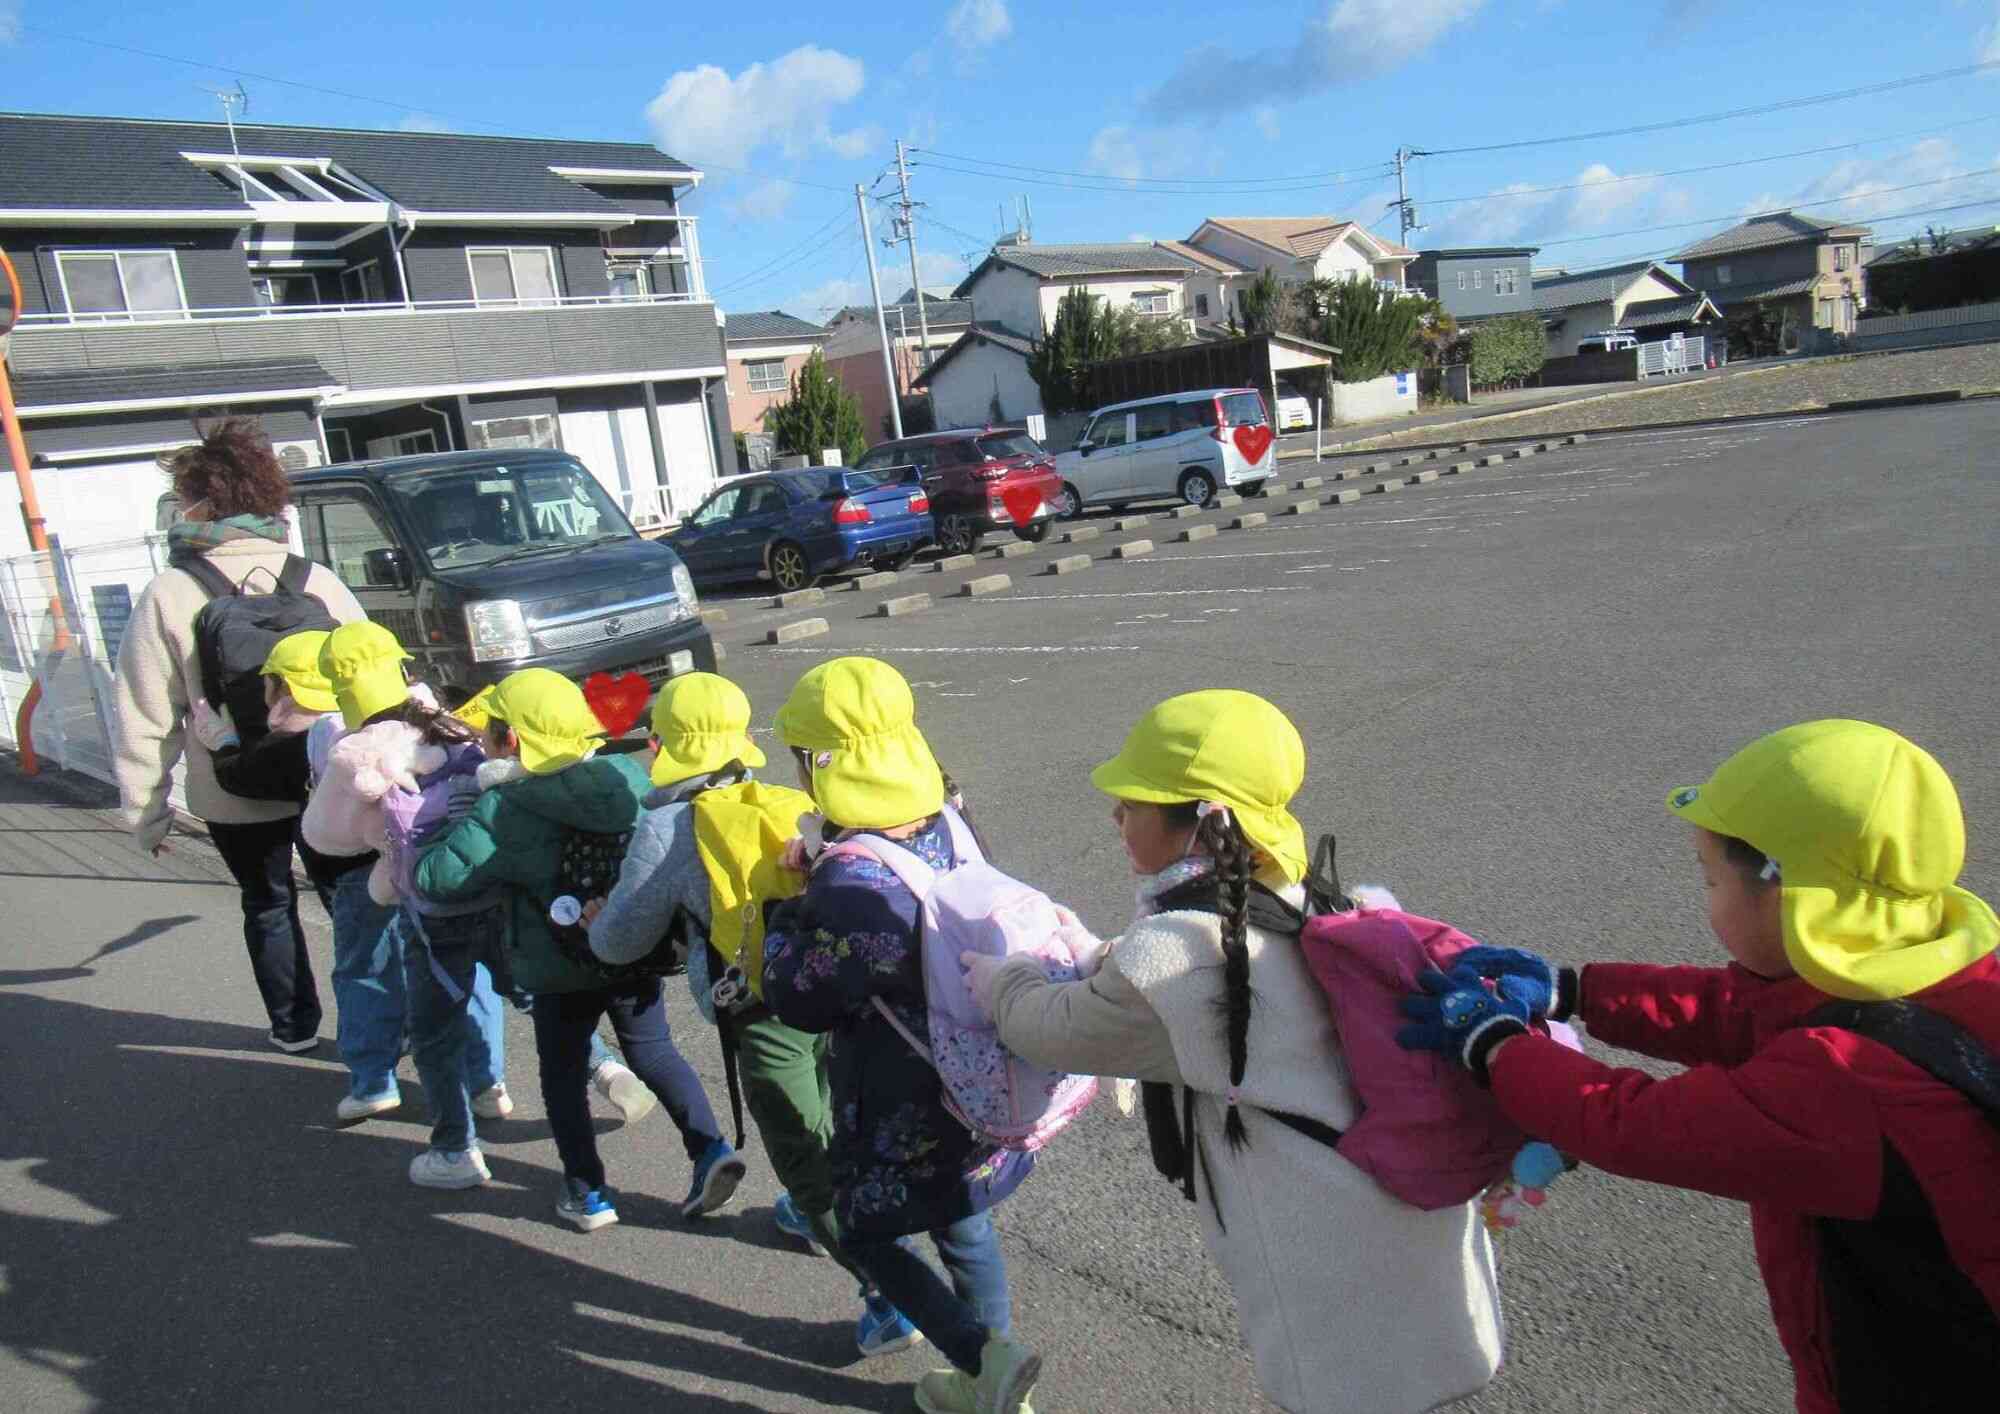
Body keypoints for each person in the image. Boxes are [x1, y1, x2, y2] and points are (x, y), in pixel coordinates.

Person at [1398, 719, 2000, 1414]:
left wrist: (1496, 1044)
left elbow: (1630, 1124)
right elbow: (1743, 1011)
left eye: (1710, 878)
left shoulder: (1849, 1081)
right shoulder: (1932, 974)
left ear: (1784, 893)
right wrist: (1577, 990)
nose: (1705, 895)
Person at [966, 689, 1502, 1414]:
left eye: (1134, 802)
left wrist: (1007, 978)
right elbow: (1166, 985)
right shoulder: (1308, 892)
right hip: (1411, 1225)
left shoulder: (1182, 956)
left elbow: (1053, 1027)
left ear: (1204, 820)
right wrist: (1099, 953)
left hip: (1337, 1263)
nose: (1115, 817)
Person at [587, 672, 918, 1348]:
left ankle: (891, 1299)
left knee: (804, 1152)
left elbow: (621, 940)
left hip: (762, 1012)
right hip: (833, 987)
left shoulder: (668, 826)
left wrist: (595, 919)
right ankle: (806, 1213)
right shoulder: (791, 796)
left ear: (662, 745)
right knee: (830, 1110)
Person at [760, 657, 1038, 1414]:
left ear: (822, 762)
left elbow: (799, 997)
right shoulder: (950, 814)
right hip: (973, 1067)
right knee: (962, 1216)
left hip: (897, 1087)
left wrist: (784, 907)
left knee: (868, 1230)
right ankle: (996, 1382)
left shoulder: (850, 882)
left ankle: (986, 1358)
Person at [413, 668, 744, 1226]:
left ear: (510, 741)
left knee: (563, 1074)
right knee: (654, 1050)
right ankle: (709, 1147)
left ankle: (586, 1191)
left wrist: (462, 813)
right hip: (630, 944)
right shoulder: (624, 777)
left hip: (555, 966)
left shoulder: (505, 807)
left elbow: (437, 877)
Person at [111, 418, 364, 1053]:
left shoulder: (171, 590)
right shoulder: (315, 578)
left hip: (231, 783)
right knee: (352, 904)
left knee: (268, 901)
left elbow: (144, 712)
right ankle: (379, 1033)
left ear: (199, 502)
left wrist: (148, 816)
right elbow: (372, 678)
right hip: (322, 774)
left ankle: (294, 1026)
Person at [304, 624, 511, 1177]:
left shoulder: (348, 744)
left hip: (412, 891)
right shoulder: (448, 722)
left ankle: (423, 1122)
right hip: (481, 880)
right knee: (503, 985)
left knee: (405, 1001)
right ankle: (498, 1081)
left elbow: (325, 833)